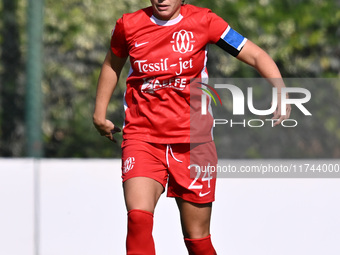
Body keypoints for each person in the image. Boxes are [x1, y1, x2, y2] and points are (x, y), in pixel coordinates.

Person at [93, 0, 291, 254]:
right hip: (142, 138)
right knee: (138, 219)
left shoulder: (205, 22)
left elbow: (255, 54)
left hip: (193, 144)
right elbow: (112, 64)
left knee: (197, 240)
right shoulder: (128, 25)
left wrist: (281, 91)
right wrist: (99, 114)